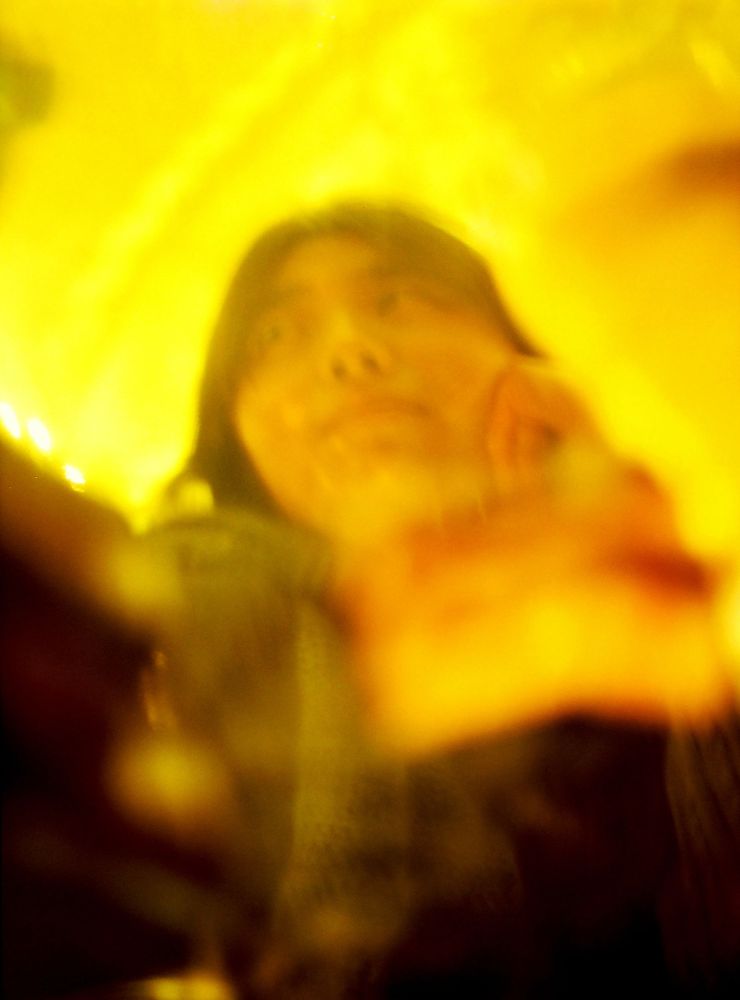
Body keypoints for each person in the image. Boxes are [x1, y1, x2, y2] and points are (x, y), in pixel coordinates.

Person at [148, 201, 739, 997]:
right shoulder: (183, 618)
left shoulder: (691, 549)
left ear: (522, 350)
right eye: (275, 335)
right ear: (237, 438)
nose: (350, 352)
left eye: (401, 301)